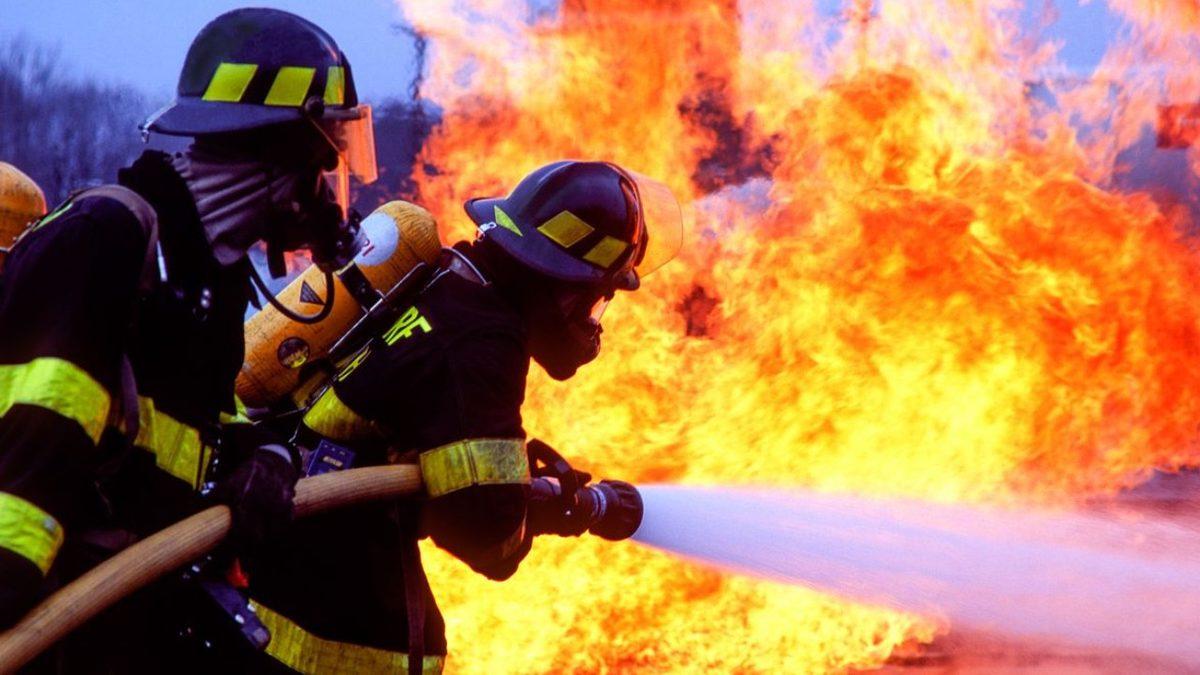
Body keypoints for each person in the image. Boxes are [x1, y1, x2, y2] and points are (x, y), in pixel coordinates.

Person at [0, 7, 379, 670]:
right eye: (323, 161)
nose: (326, 189)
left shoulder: (206, 274)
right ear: (278, 151)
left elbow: (191, 432)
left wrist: (268, 456)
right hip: (54, 621)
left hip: (130, 613)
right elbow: (34, 438)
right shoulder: (108, 237)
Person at [226, 160, 682, 673]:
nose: (591, 321)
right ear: (566, 284)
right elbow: (485, 534)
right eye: (598, 299)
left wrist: (520, 487)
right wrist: (545, 508)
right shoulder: (481, 341)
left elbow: (432, 464)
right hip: (330, 610)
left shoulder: (445, 284)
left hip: (279, 563)